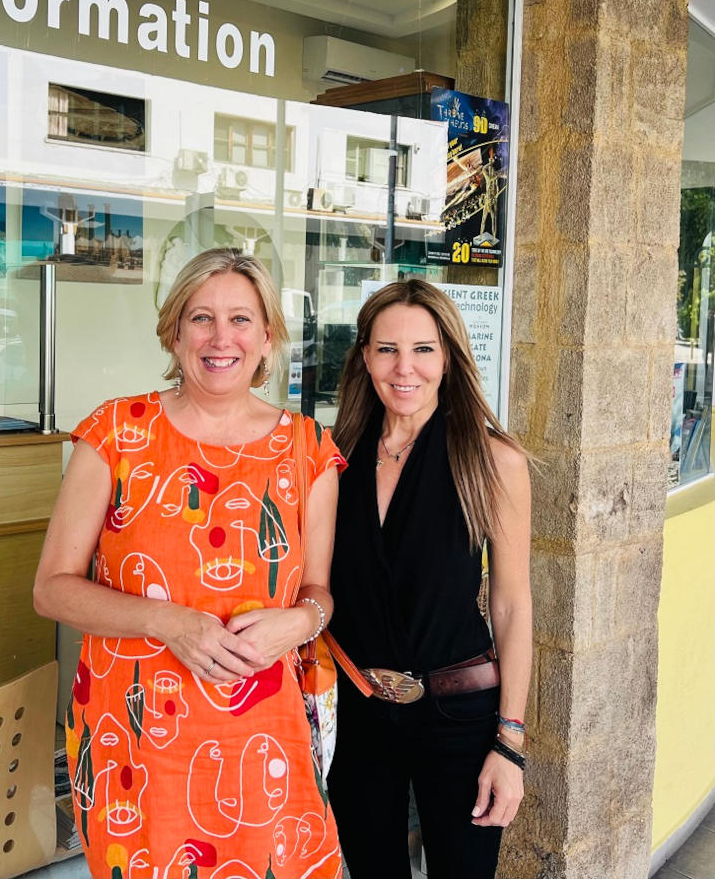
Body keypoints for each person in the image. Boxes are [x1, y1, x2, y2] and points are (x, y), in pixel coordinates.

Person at [34, 248, 346, 879]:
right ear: (174, 333)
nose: (220, 338)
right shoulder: (116, 432)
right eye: (201, 318)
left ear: (267, 338)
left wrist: (300, 622)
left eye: (241, 319)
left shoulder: (308, 448)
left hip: (265, 734)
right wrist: (167, 622)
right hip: (135, 738)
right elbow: (52, 590)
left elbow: (318, 591)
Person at [327, 279, 532, 879]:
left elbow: (512, 605)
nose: (405, 368)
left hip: (460, 716)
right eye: (387, 349)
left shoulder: (491, 460)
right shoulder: (333, 457)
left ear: (447, 357)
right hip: (359, 711)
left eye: (423, 349)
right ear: (365, 358)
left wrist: (510, 743)